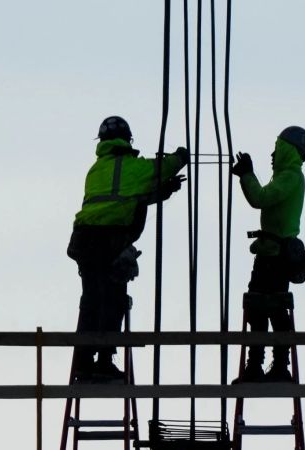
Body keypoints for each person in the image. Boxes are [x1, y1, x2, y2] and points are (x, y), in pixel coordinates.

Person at [67, 115, 189, 382]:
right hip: (109, 241)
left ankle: (83, 364)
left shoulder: (97, 169)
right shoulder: (132, 167)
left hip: (84, 240)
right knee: (113, 299)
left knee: (91, 301)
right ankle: (103, 362)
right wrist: (180, 157)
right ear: (127, 139)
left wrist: (163, 192)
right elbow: (161, 168)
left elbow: (127, 198)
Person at [230, 126, 305, 383]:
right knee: (260, 309)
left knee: (271, 310)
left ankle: (275, 367)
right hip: (270, 254)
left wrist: (247, 174)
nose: (272, 154)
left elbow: (260, 198)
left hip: (275, 258)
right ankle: (259, 366)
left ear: (286, 149)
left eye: (277, 148)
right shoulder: (286, 177)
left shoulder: (290, 177)